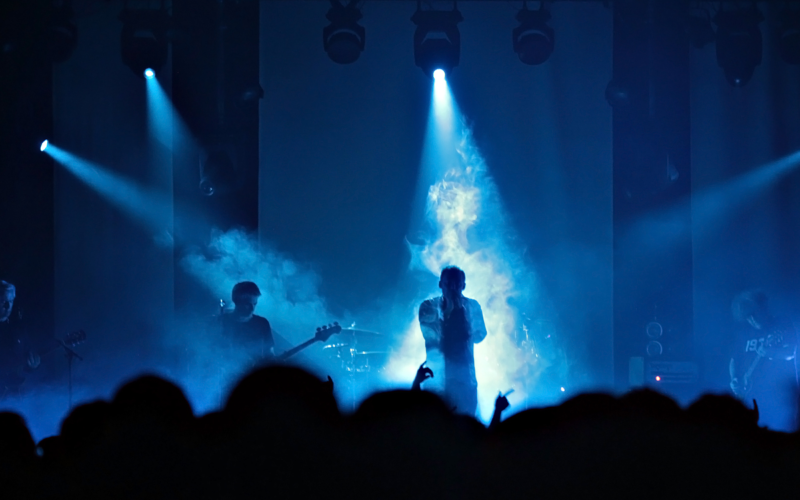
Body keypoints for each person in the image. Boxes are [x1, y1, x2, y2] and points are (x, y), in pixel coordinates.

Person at [418, 266, 487, 416]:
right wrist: (449, 311)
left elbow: (480, 335)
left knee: (466, 426)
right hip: (437, 377)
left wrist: (462, 314)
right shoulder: (428, 307)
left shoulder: (472, 306)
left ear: (464, 286)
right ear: (440, 284)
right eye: (449, 284)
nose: (453, 288)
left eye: (457, 284)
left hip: (465, 378)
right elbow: (431, 336)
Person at [728, 289, 798, 431]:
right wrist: (735, 378)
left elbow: (791, 352)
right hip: (752, 398)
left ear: (763, 308)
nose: (752, 319)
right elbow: (734, 359)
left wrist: (771, 352)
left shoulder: (781, 323)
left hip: (779, 397)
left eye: (754, 314)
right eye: (747, 317)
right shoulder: (744, 333)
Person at [0, 281, 40, 397]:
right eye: (3, 301)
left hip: (12, 396)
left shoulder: (18, 330)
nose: (8, 306)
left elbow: (26, 360)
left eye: (11, 301)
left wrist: (33, 365)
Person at [221, 281, 275, 363]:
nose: (252, 308)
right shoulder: (221, 322)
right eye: (247, 304)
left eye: (255, 304)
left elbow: (269, 353)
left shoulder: (262, 323)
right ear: (236, 300)